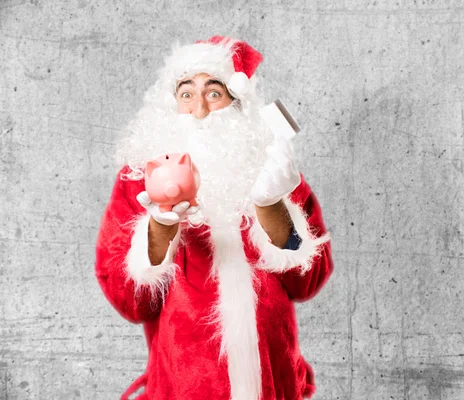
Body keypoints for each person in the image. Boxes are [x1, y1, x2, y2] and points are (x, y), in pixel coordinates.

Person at [95, 35, 334, 400]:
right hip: (188, 380)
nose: (200, 110)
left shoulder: (274, 168)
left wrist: (270, 203)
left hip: (274, 375)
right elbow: (131, 299)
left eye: (214, 93)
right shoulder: (138, 180)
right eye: (187, 94)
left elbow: (309, 278)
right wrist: (161, 224)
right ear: (171, 106)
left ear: (236, 104)